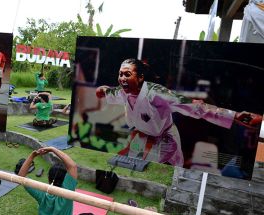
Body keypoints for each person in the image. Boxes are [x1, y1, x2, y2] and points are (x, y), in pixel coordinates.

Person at [96, 58, 262, 166]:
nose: (122, 78)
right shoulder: (122, 92)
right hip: (141, 137)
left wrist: (233, 115)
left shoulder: (156, 93)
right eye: (120, 75)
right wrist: (102, 90)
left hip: (166, 139)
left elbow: (196, 107)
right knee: (130, 164)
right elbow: (107, 91)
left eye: (127, 74)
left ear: (140, 77)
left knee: (169, 172)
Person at [18, 146, 95, 215]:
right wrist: (52, 149)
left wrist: (32, 156)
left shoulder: (41, 193)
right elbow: (72, 166)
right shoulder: (67, 192)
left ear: (48, 178)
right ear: (65, 180)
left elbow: (21, 176)